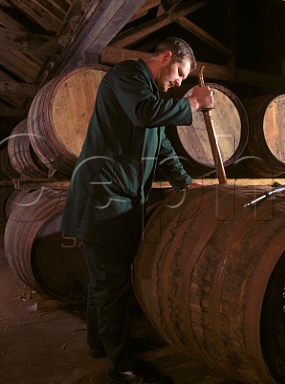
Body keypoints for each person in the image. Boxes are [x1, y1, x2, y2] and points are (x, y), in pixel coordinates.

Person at [60, 37, 213, 384]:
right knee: (110, 284)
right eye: (178, 73)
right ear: (165, 56)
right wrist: (191, 101)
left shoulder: (153, 97)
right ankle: (122, 365)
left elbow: (161, 149)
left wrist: (185, 183)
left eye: (184, 81)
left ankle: (100, 342)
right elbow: (144, 116)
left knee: (106, 281)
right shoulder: (127, 76)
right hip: (102, 197)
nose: (178, 82)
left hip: (120, 200)